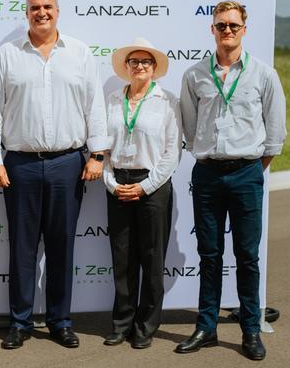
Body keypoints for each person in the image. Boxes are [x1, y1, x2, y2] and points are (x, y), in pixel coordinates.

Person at [0, 0, 108, 349]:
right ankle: (19, 323)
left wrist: (97, 154)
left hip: (68, 164)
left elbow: (94, 106)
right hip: (18, 165)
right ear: (26, 12)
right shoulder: (7, 54)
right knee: (21, 249)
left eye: (48, 7)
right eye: (35, 7)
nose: (42, 13)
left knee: (62, 247)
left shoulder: (81, 53)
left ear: (58, 10)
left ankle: (60, 320)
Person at [177, 1, 286, 361]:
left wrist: (250, 165)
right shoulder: (195, 76)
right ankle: (206, 327)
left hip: (246, 174)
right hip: (207, 174)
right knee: (209, 255)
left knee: (247, 257)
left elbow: (274, 135)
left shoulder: (263, 74)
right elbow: (190, 131)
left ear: (244, 30)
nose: (227, 31)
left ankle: (251, 329)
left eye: (234, 26)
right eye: (221, 25)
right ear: (212, 29)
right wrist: (211, 155)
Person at [103, 38, 181, 349]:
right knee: (122, 259)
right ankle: (122, 324)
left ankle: (146, 326)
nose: (139, 66)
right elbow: (101, 149)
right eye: (134, 62)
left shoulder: (167, 102)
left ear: (154, 68)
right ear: (125, 67)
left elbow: (172, 152)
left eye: (145, 62)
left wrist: (146, 186)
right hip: (118, 184)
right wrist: (111, 183)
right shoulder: (111, 100)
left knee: (151, 258)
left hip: (153, 186)